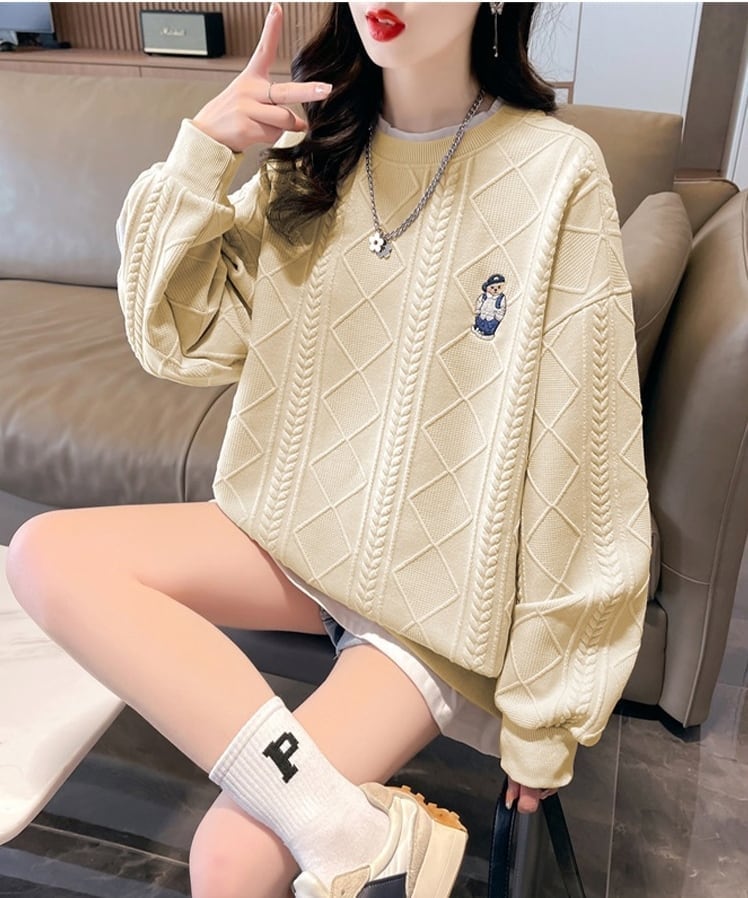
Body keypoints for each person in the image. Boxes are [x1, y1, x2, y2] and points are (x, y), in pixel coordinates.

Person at [5, 3, 651, 897]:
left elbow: (583, 464)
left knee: (229, 857)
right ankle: (354, 837)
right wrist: (203, 151)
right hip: (295, 536)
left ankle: (347, 836)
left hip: (433, 602)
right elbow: (180, 338)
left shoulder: (556, 172)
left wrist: (546, 719)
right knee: (43, 553)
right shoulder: (316, 147)